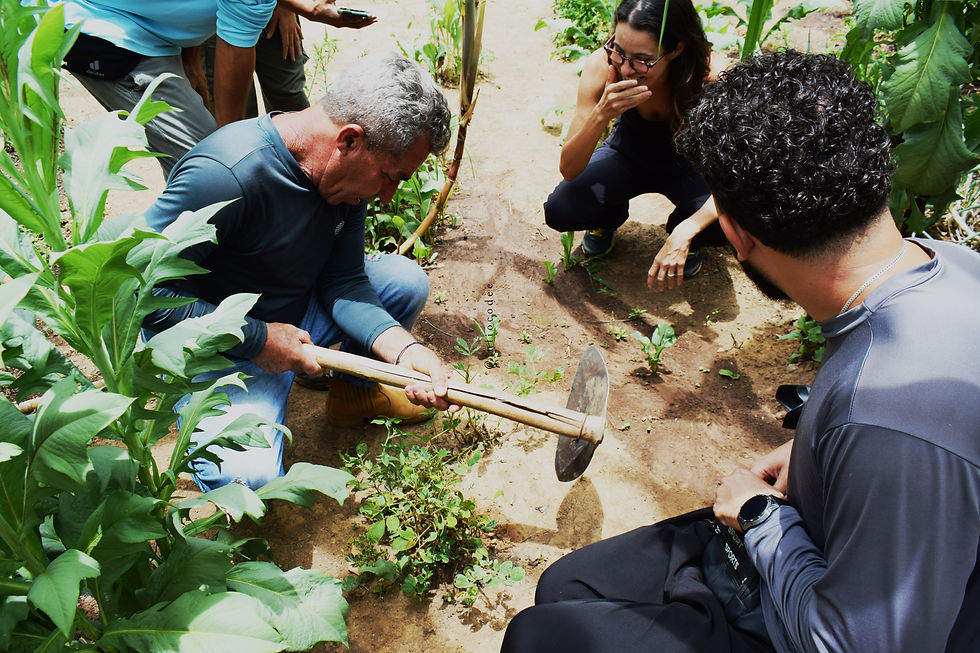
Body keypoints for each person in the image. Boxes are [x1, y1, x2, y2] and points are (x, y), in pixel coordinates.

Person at [502, 51, 980, 653]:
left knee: (538, 638)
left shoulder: (887, 418)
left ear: (735, 235)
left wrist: (761, 517)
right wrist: (813, 449)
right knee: (567, 584)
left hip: (807, 613)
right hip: (823, 532)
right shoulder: (953, 266)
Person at [141, 52, 457, 492]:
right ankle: (248, 392)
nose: (386, 196)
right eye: (390, 177)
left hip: (290, 312)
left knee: (404, 282)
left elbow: (344, 281)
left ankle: (353, 393)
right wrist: (258, 339)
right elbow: (147, 299)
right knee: (247, 482)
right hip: (216, 343)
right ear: (349, 140)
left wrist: (406, 353)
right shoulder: (226, 176)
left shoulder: (346, 176)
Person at [543, 0, 727, 291]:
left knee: (734, 221)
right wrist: (602, 113)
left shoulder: (712, 78)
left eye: (643, 59)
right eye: (619, 50)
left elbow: (739, 179)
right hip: (628, 153)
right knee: (561, 209)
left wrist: (687, 229)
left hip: (688, 164)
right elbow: (569, 168)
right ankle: (608, 217)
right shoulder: (602, 65)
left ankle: (690, 237)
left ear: (676, 48)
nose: (627, 68)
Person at [62, 0, 277, 178]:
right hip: (102, 28)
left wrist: (191, 58)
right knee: (209, 168)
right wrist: (233, 153)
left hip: (148, 30)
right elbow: (235, 45)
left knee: (210, 166)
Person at [202, 0, 378, 117]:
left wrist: (286, 7)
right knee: (235, 110)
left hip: (271, 7)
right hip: (215, 15)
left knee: (288, 96)